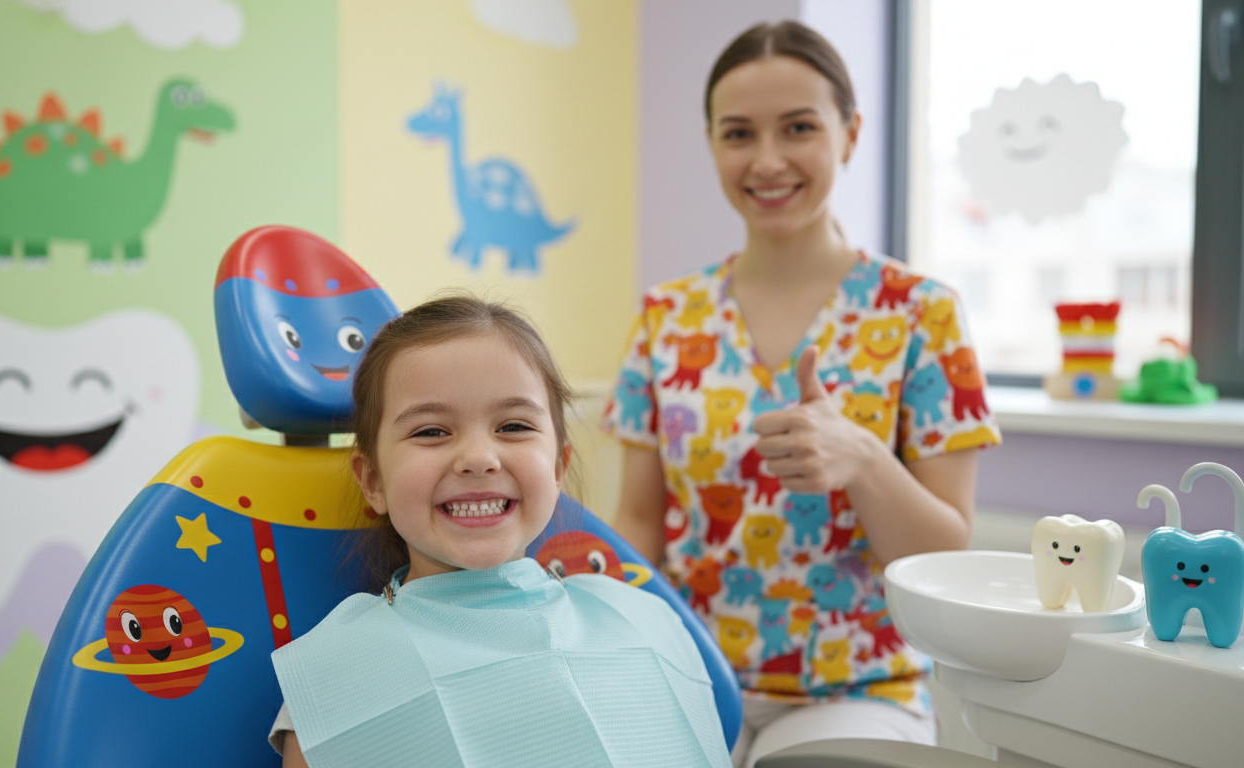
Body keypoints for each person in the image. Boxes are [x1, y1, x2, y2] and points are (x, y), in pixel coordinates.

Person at [604, 21, 1001, 768]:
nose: (767, 160)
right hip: (687, 672)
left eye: (798, 128)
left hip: (855, 688)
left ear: (850, 134)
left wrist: (864, 459)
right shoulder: (666, 316)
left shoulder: (922, 313)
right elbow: (638, 523)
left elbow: (945, 555)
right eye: (738, 134)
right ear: (711, 143)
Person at [269, 294, 732, 768]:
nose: (478, 458)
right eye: (431, 431)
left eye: (512, 426)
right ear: (373, 481)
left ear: (558, 466)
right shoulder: (335, 676)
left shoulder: (639, 619)